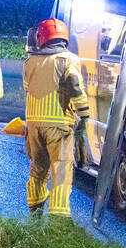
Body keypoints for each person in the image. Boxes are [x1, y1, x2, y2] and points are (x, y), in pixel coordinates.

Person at [23, 18, 90, 219]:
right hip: (59, 125)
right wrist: (84, 114)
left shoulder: (30, 61)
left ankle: (35, 212)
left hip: (34, 125)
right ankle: (58, 218)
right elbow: (74, 85)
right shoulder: (68, 60)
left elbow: (27, 89)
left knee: (38, 167)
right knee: (61, 170)